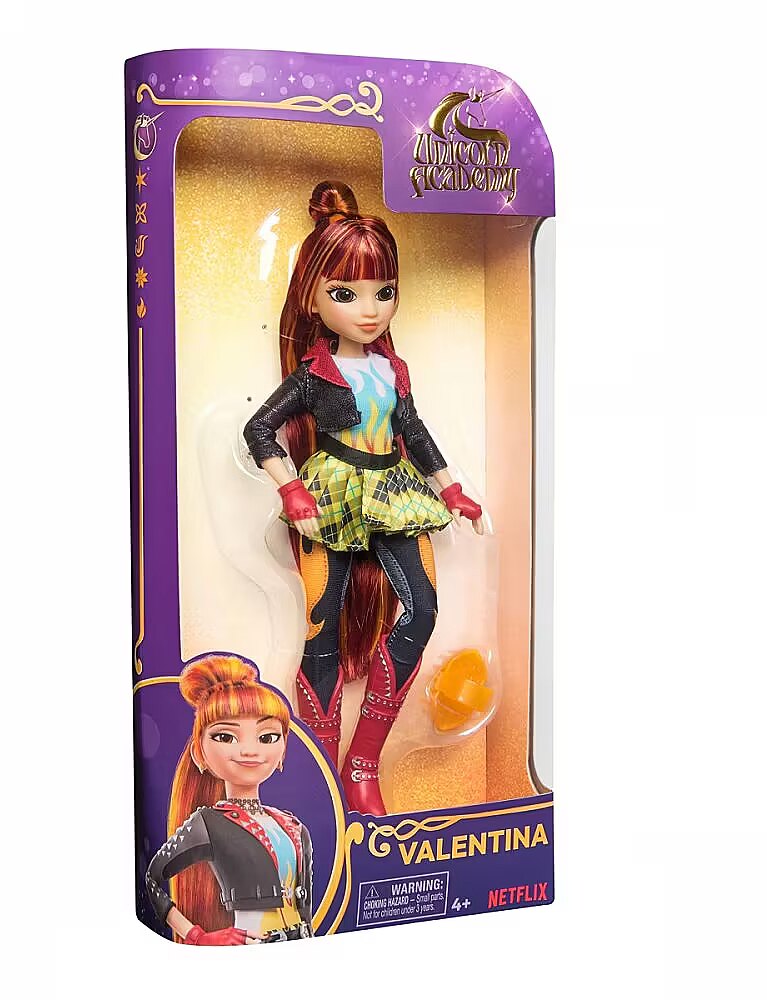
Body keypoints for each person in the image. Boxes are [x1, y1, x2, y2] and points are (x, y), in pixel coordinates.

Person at [243, 180, 485, 815]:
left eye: (385, 292)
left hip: (394, 489)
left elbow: (413, 430)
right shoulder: (314, 373)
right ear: (313, 298)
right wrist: (290, 487)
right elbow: (259, 429)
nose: (370, 310)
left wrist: (451, 488)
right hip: (331, 494)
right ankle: (324, 771)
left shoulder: (393, 369)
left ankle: (363, 761)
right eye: (346, 294)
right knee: (321, 624)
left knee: (421, 609)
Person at [145, 654, 313, 944]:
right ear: (199, 753)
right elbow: (152, 879)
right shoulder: (209, 823)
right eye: (226, 737)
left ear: (283, 750)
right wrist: (197, 936)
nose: (249, 751)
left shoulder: (294, 826)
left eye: (267, 737)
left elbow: (305, 903)